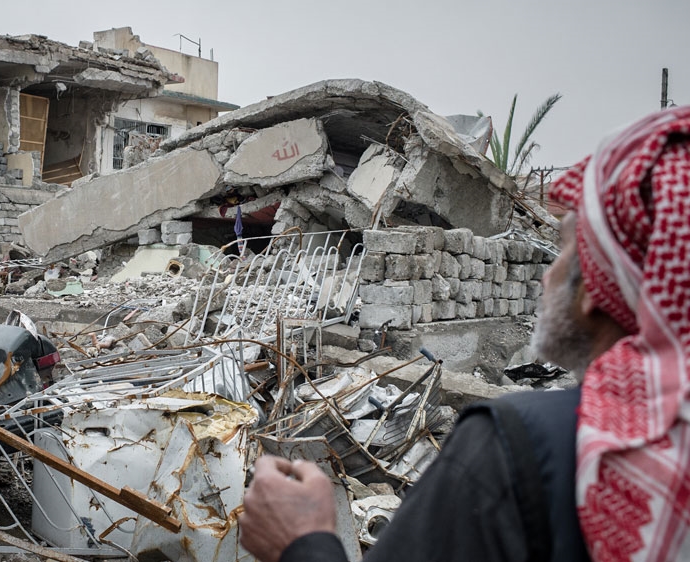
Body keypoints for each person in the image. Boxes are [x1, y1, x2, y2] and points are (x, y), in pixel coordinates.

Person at [239, 105, 690, 562]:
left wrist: (301, 541)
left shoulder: (515, 450)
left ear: (597, 287)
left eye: (565, 249)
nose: (546, 275)